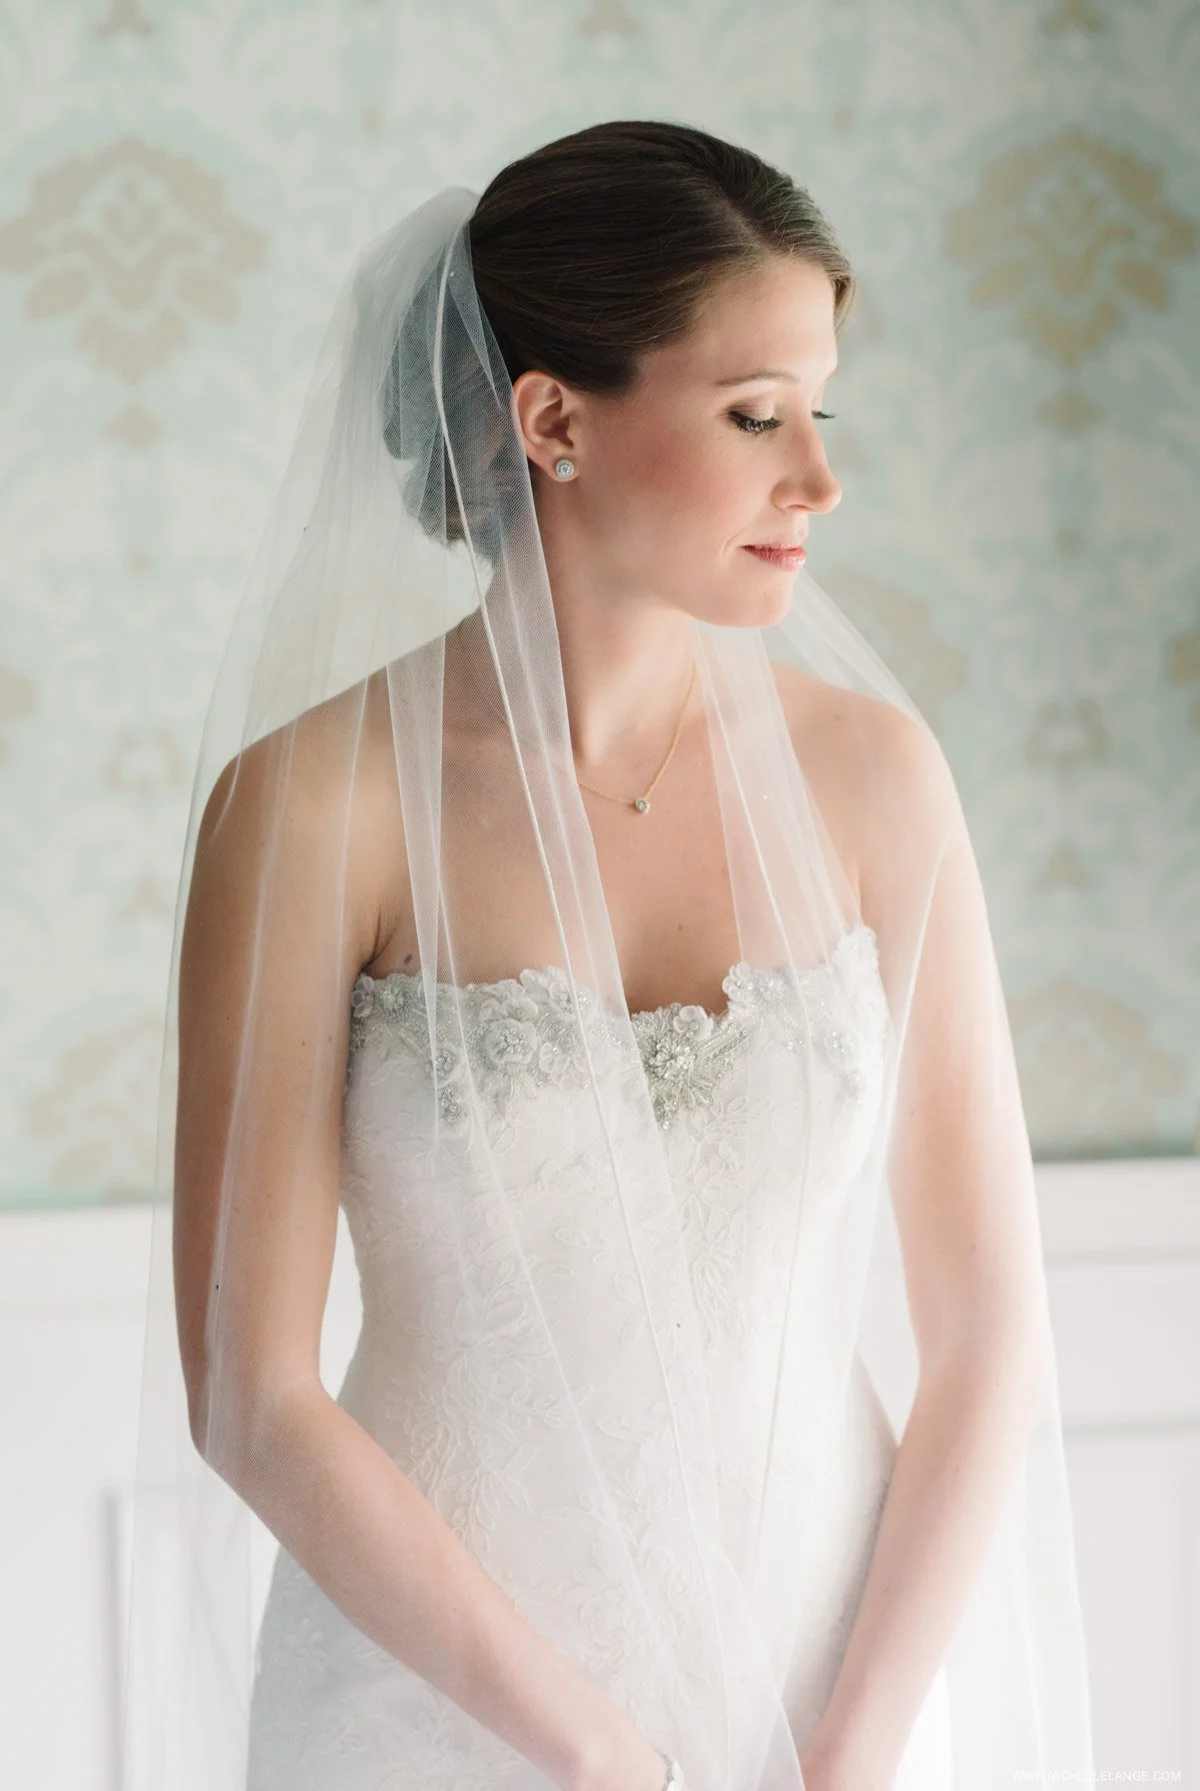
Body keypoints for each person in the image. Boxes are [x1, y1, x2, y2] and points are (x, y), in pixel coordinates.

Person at [125, 121, 1095, 1791]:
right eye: (755, 415)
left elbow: (988, 1324)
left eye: (823, 411)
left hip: (830, 1685)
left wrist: (854, 1743)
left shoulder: (875, 776)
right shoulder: (314, 805)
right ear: (554, 420)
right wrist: (591, 1751)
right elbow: (249, 1388)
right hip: (432, 1710)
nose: (819, 480)